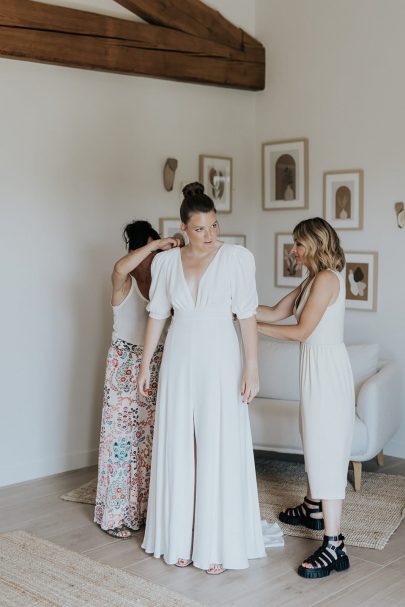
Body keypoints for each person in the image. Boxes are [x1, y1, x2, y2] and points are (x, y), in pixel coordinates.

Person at [137, 182, 265, 574]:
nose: (210, 235)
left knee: (217, 443)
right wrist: (145, 365)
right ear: (182, 228)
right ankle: (178, 538)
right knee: (178, 444)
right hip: (179, 357)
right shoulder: (165, 263)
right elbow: (157, 315)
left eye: (214, 226)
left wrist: (252, 366)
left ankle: (216, 545)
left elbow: (247, 316)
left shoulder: (237, 258)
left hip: (221, 358)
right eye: (201, 229)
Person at [256, 217, 355, 579]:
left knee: (326, 451)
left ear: (314, 244)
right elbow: (275, 311)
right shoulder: (312, 279)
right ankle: (314, 508)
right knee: (313, 441)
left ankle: (334, 545)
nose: (293, 250)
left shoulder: (328, 279)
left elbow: (300, 331)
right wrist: (236, 308)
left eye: (298, 244)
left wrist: (248, 327)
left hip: (328, 374)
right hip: (315, 372)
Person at [94, 221, 182, 538]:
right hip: (124, 363)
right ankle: (115, 514)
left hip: (156, 363)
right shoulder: (124, 280)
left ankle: (140, 512)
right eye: (151, 248)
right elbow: (120, 266)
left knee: (146, 443)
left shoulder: (162, 284)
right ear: (143, 245)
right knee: (120, 442)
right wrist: (153, 245)